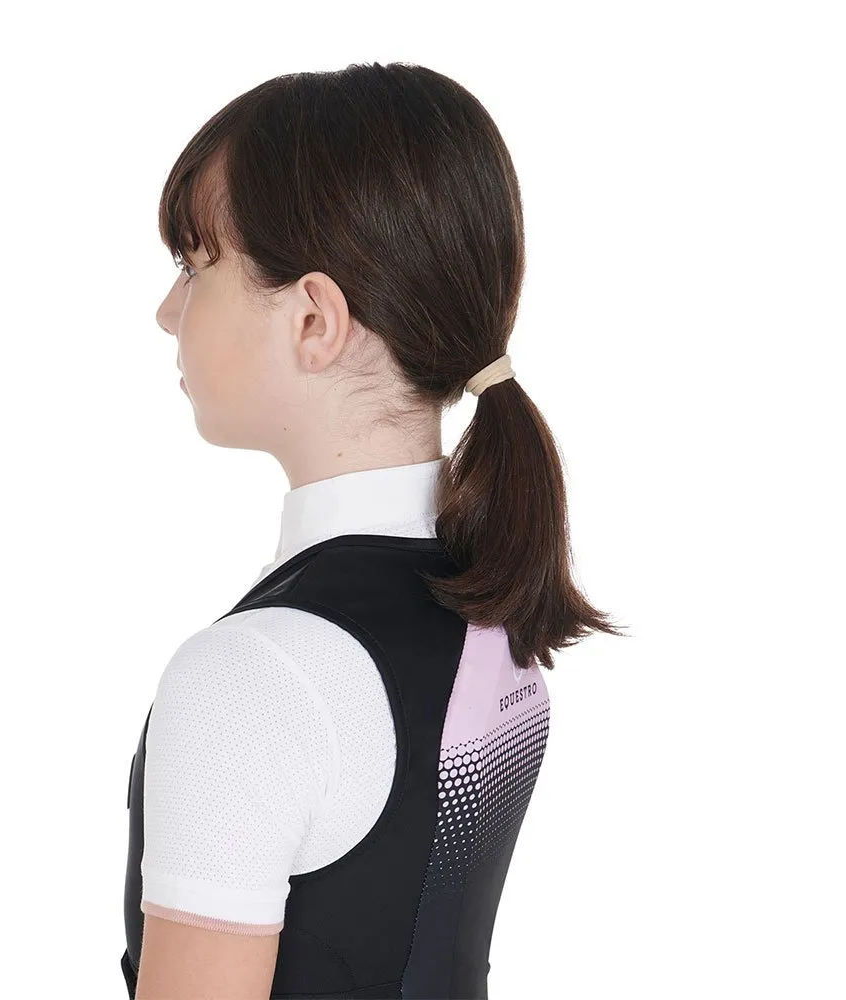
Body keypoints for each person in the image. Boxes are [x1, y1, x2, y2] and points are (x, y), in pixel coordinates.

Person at [122, 60, 625, 1000]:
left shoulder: (256, 675)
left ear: (314, 320)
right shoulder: (488, 607)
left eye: (194, 265)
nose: (165, 311)